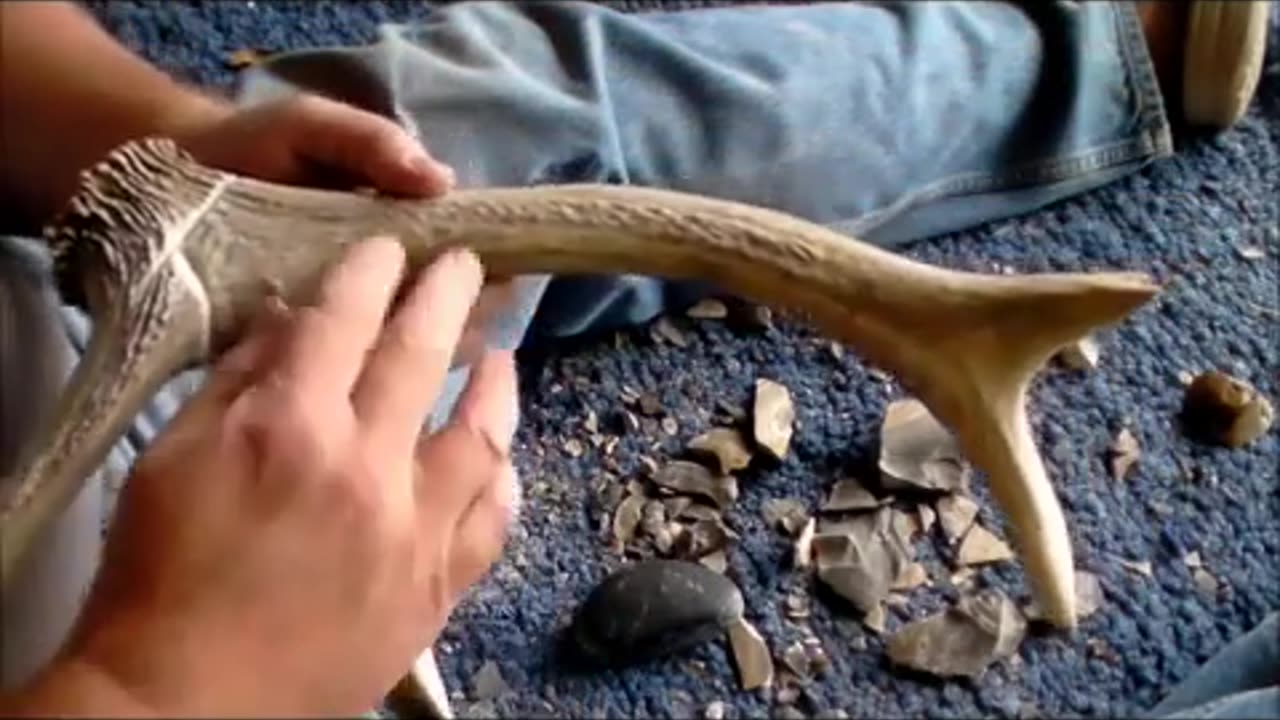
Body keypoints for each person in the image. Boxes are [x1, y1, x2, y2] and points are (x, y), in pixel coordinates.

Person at [0, 0, 1274, 717]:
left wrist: (149, 160)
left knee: (510, 122)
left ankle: (1104, 61)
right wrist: (175, 681)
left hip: (78, 311)